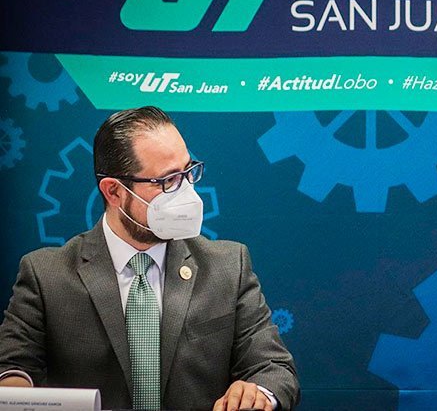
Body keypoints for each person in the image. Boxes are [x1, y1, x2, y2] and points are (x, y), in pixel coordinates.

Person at [0, 107, 300, 411]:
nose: (185, 191)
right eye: (167, 180)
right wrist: (14, 394)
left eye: (188, 172)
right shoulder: (45, 275)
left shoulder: (228, 267)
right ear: (114, 192)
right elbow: (11, 366)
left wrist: (257, 393)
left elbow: (275, 369)